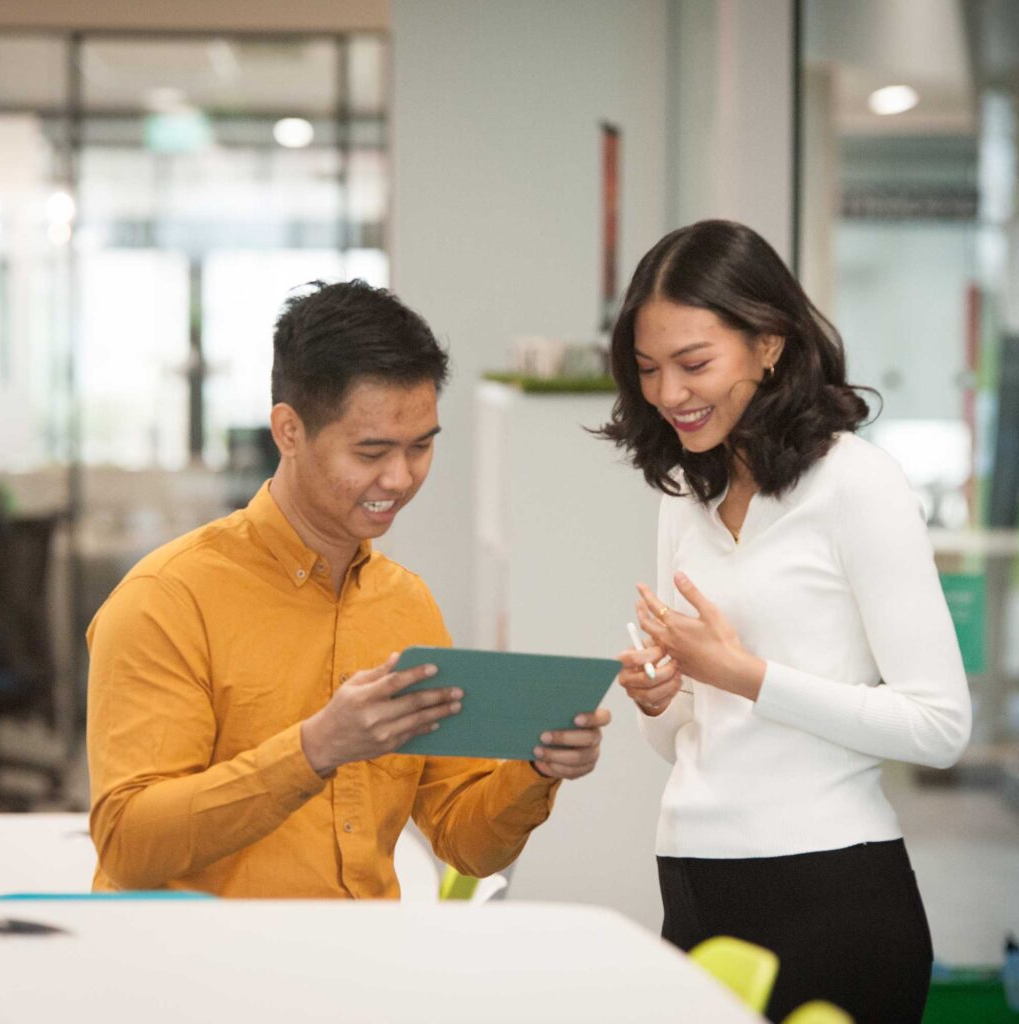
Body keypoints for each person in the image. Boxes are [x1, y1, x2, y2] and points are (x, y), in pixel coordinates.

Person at [87, 279, 610, 898]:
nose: (400, 476)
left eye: (420, 447)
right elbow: (129, 842)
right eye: (371, 451)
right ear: (289, 431)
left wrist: (535, 767)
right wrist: (313, 750)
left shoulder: (405, 605)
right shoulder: (166, 599)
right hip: (207, 975)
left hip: (359, 965)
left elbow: (466, 845)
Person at [602, 220, 971, 1023]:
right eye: (649, 370)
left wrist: (744, 674)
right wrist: (664, 700)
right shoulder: (684, 496)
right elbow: (687, 739)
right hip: (694, 875)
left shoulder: (857, 484)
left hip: (831, 887)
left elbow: (940, 726)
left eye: (695, 364)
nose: (669, 394)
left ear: (768, 344)